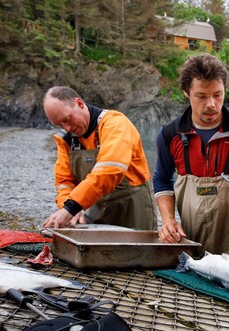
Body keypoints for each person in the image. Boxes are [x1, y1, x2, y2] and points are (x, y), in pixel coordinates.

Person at [152, 53, 229, 261]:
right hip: (191, 244)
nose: (212, 104)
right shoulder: (169, 135)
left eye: (218, 94)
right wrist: (168, 220)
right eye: (202, 96)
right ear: (187, 92)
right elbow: (161, 180)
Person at [42, 86, 158, 230]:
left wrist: (71, 207)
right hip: (93, 207)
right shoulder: (66, 140)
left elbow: (110, 171)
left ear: (79, 104)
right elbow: (64, 182)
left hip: (132, 208)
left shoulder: (115, 124)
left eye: (67, 119)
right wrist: (70, 207)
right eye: (59, 124)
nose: (67, 128)